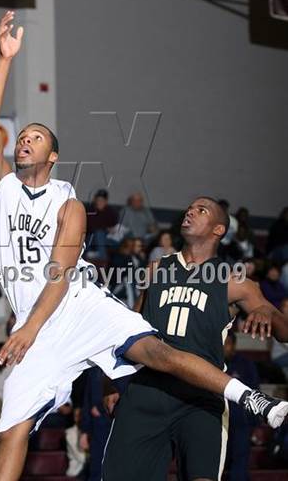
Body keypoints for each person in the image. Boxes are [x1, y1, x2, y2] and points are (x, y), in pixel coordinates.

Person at [0, 13, 287, 481]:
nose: (24, 141)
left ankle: (252, 398)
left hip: (74, 305)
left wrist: (29, 329)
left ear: (53, 156)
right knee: (10, 433)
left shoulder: (69, 202)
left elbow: (59, 275)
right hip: (32, 322)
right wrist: (4, 60)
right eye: (21, 137)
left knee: (156, 352)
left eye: (35, 137)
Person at [102, 197, 288, 481]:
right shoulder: (155, 270)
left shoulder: (235, 282)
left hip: (201, 398)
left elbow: (283, 330)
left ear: (219, 229)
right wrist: (110, 381)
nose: (190, 211)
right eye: (189, 207)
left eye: (202, 210)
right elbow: (128, 329)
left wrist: (265, 310)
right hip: (147, 390)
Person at [224, 332, 260, 481]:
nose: (223, 347)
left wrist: (254, 422)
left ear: (233, 345)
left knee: (239, 463)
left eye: (227, 343)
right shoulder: (210, 363)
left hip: (239, 422)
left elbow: (255, 394)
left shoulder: (245, 364)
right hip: (216, 420)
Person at [85, 189, 118, 261]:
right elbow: (89, 226)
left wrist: (110, 229)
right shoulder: (90, 210)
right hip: (91, 236)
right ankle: (102, 255)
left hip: (107, 238)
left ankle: (97, 253)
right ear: (95, 200)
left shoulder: (110, 211)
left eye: (102, 201)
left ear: (106, 202)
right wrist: (104, 228)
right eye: (98, 200)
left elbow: (114, 227)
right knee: (99, 233)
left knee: (113, 242)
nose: (100, 202)